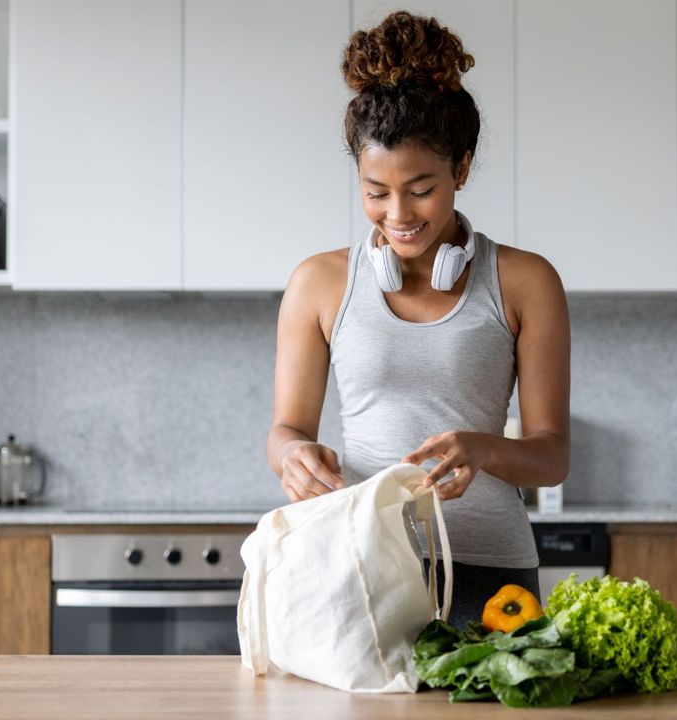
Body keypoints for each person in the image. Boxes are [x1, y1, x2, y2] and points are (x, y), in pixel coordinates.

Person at [266, 10, 571, 627]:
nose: (397, 213)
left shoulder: (525, 281)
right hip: (360, 562)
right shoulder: (319, 283)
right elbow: (285, 431)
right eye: (375, 191)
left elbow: (552, 456)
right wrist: (294, 456)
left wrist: (483, 449)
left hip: (489, 571)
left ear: (461, 168)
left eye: (422, 188)